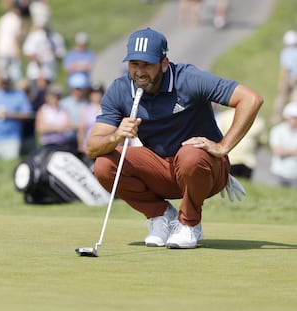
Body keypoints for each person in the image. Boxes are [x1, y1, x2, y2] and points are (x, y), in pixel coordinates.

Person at [86, 28, 263, 249]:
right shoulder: (121, 89)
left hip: (205, 168)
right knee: (103, 165)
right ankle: (161, 216)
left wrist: (222, 147)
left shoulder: (188, 79)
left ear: (164, 63)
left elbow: (251, 99)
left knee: (190, 155)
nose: (139, 72)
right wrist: (116, 135)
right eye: (134, 64)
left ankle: (189, 224)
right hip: (162, 168)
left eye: (147, 65)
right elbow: (92, 147)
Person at [0, 72, 33, 160]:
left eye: (6, 82)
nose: (4, 85)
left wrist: (9, 115)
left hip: (12, 138)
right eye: (3, 82)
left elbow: (27, 114)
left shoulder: (19, 95)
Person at [215, 106, 266, 179]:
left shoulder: (258, 120)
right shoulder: (226, 115)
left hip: (248, 161)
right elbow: (218, 137)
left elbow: (260, 142)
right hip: (229, 159)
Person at [0, 0, 24, 85]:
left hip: (0, 48)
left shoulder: (4, 18)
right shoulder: (16, 20)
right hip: (11, 50)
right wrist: (17, 50)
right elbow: (15, 37)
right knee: (16, 74)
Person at [271, 30, 297, 125]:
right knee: (295, 100)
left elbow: (285, 69)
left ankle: (276, 118)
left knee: (281, 98)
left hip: (288, 78)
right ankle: (293, 119)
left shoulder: (285, 52)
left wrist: (281, 82)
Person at [269, 102, 297, 187]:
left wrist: (284, 151)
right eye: (293, 118)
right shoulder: (277, 130)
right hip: (278, 171)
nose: (295, 120)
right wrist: (293, 152)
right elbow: (277, 151)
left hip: (294, 174)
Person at [59, 72, 90, 149]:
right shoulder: (64, 104)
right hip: (66, 139)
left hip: (84, 139)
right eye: (76, 89)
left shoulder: (88, 103)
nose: (78, 92)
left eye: (81, 89)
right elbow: (63, 123)